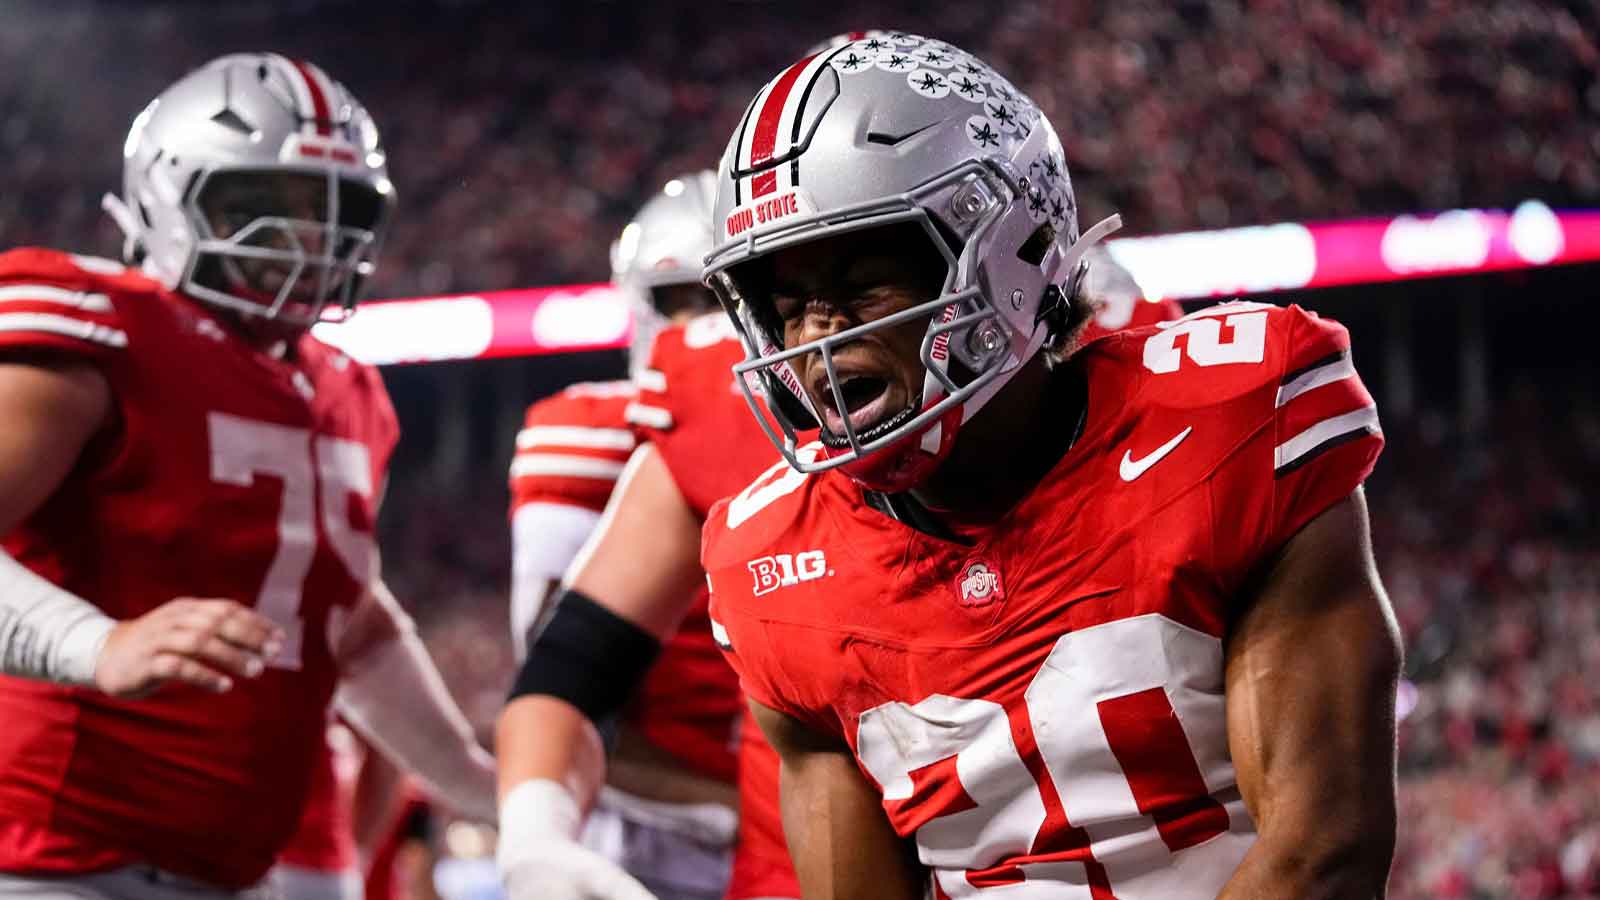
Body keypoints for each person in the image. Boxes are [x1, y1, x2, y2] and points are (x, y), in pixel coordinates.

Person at [699, 34, 1402, 899]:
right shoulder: (773, 564)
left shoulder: (1230, 424)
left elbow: (1323, 854)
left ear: (1013, 250)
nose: (817, 338)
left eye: (862, 286)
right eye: (788, 305)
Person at [0, 53, 494, 900]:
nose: (305, 238)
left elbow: (350, 627)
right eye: (261, 203)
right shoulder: (102, 329)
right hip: (51, 859)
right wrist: (97, 644)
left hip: (232, 873)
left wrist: (487, 791)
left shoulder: (348, 392)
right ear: (168, 194)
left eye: (330, 209)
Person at [495, 179, 802, 899]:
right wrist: (535, 833)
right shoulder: (615, 437)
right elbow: (563, 681)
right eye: (687, 301)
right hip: (657, 843)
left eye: (735, 297)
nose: (714, 330)